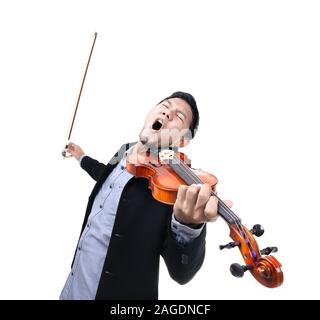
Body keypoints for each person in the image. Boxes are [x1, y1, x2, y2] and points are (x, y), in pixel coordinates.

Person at [60, 91, 232, 300]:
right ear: (151, 113)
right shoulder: (125, 149)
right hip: (73, 286)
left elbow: (182, 272)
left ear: (183, 141)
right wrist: (81, 156)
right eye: (165, 106)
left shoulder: (173, 188)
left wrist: (189, 226)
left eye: (178, 117)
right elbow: (104, 174)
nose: (168, 113)